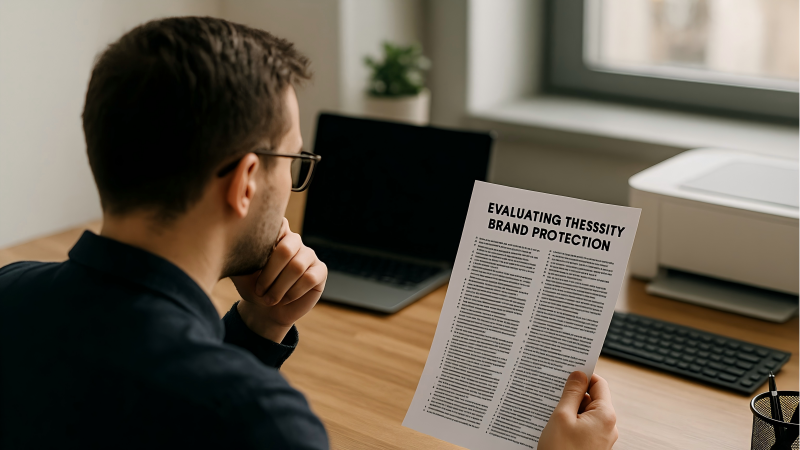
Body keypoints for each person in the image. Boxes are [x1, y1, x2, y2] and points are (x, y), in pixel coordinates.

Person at [0, 16, 617, 450]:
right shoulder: (258, 421)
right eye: (293, 162)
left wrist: (258, 328)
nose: (294, 185)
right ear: (246, 181)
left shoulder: (9, 293)